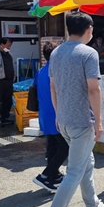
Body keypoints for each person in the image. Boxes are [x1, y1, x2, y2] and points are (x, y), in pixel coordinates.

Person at [40, 12, 104, 207]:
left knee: (85, 163)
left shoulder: (57, 52)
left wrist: (59, 114)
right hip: (82, 121)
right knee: (75, 171)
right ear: (89, 28)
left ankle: (93, 205)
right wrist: (98, 121)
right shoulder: (89, 53)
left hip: (65, 120)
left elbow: (53, 87)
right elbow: (93, 89)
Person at [32, 42, 68, 193]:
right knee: (65, 147)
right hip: (56, 114)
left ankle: (54, 174)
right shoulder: (57, 72)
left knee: (52, 145)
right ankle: (46, 175)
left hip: (44, 115)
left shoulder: (40, 72)